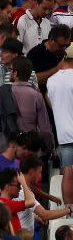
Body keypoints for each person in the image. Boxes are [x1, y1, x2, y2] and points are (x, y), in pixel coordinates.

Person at [47, 50, 73, 204]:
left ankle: (70, 211)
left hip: (64, 134)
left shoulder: (51, 81)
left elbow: (50, 100)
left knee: (68, 171)